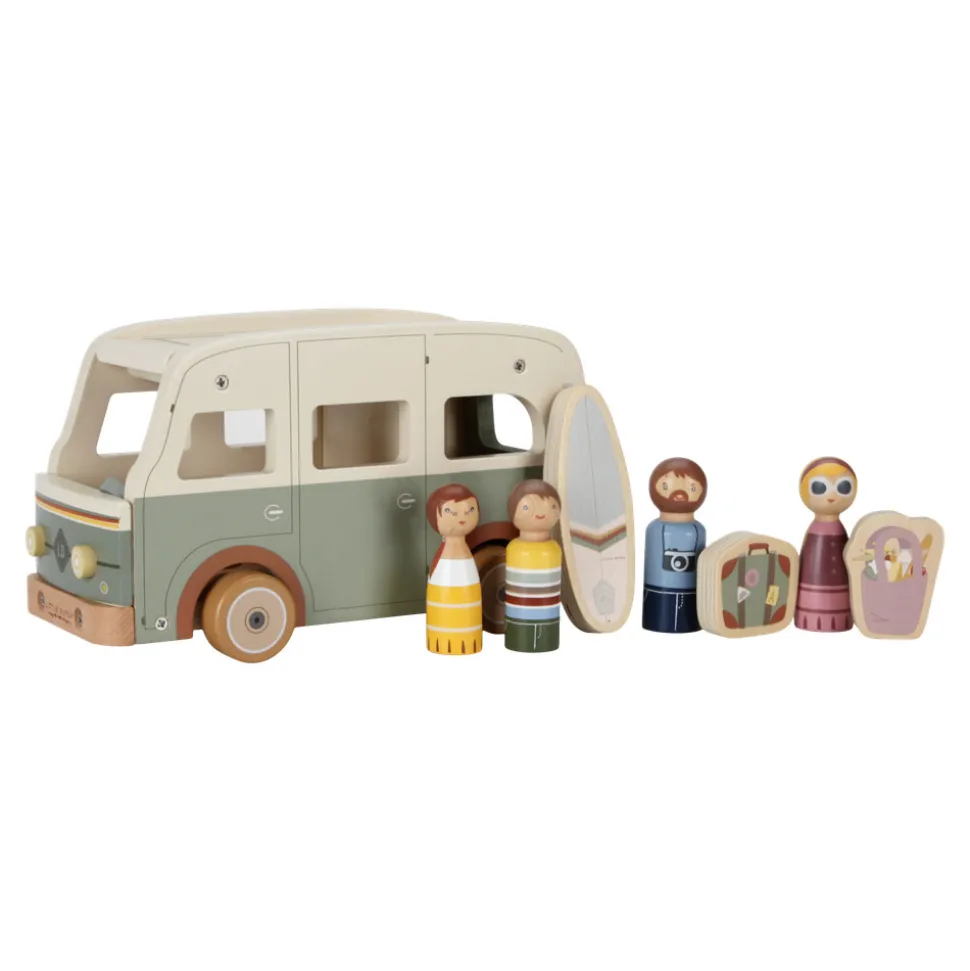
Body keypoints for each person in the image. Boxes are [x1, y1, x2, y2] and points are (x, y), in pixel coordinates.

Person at [642, 457, 707, 633]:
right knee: (658, 615)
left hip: (691, 591)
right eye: (666, 486)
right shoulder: (656, 529)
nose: (679, 494)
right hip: (657, 591)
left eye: (691, 488)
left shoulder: (697, 530)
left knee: (688, 615)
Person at [795, 457, 857, 632]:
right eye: (819, 487)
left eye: (843, 488)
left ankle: (839, 617)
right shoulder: (815, 531)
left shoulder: (840, 532)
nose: (831, 496)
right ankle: (810, 616)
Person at [505, 480, 563, 653]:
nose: (540, 513)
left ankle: (542, 641)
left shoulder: (552, 549)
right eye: (527, 507)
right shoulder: (515, 549)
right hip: (518, 620)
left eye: (551, 507)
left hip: (548, 620)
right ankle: (520, 640)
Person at [425, 483, 483, 655]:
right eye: (451, 512)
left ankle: (466, 641)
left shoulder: (463, 561)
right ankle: (443, 642)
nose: (462, 517)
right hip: (440, 637)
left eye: (470, 510)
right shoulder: (442, 563)